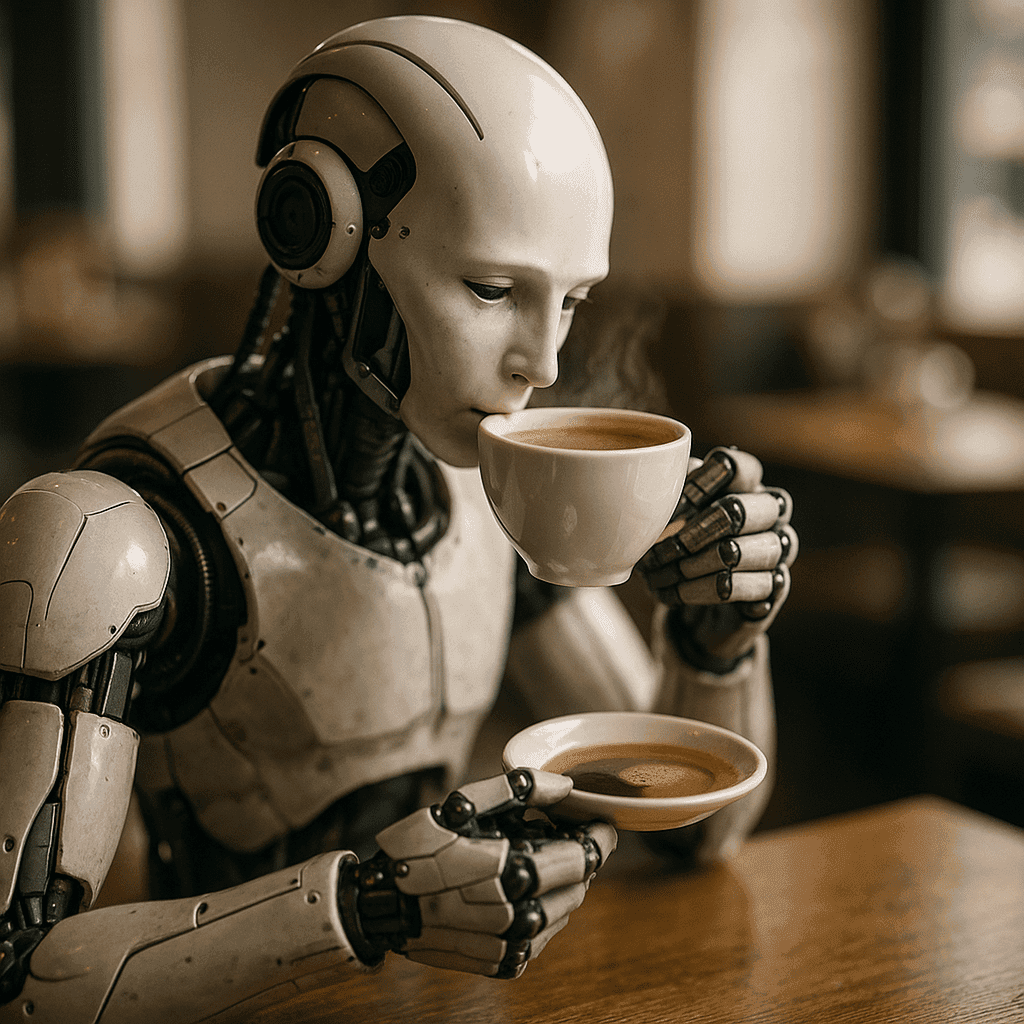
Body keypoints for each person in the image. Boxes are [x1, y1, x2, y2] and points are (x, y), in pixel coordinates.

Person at [0, 16, 796, 1021]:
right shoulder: (119, 537)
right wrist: (365, 907)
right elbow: (19, 977)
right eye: (493, 289)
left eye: (572, 302)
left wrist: (715, 643)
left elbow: (686, 828)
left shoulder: (481, 485)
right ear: (315, 230)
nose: (542, 364)